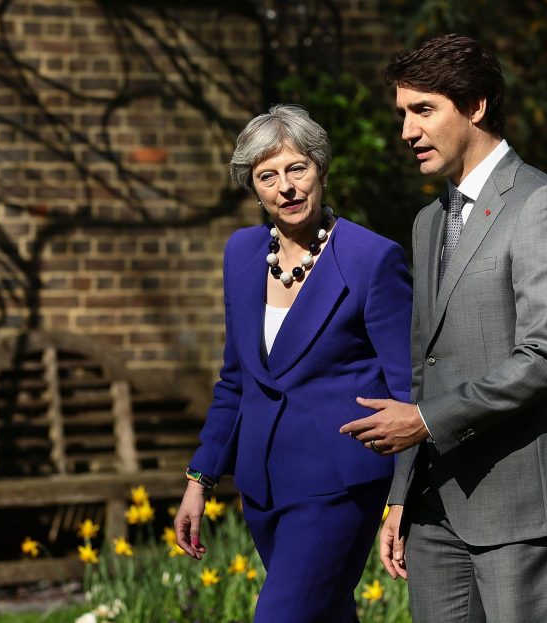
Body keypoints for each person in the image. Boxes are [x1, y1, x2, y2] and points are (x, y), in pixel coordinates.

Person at [340, 34, 547, 622]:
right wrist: (402, 494)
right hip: (433, 510)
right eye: (402, 113)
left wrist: (426, 422)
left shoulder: (542, 204)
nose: (406, 131)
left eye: (423, 110)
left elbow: (544, 356)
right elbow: (421, 367)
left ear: (476, 106)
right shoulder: (429, 222)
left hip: (520, 506)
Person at [174, 104, 413, 622]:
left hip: (339, 485)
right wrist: (200, 480)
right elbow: (235, 380)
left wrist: (403, 497)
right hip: (261, 485)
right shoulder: (240, 255)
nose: (286, 187)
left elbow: (409, 389)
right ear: (254, 188)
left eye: (297, 168)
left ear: (321, 170)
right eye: (268, 175)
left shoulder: (372, 259)